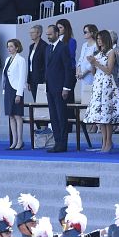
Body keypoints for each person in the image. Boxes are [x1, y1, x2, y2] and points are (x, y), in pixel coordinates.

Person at [82, 29, 119, 153]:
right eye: (97, 39)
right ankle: (104, 142)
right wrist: (92, 63)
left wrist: (96, 63)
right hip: (98, 84)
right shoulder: (98, 52)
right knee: (100, 115)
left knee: (107, 114)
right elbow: (94, 72)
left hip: (107, 84)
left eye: (100, 39)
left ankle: (108, 142)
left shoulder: (111, 52)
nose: (99, 41)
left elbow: (108, 70)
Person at [44, 23, 75, 152]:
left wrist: (66, 87)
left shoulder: (63, 48)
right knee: (53, 116)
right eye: (47, 35)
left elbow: (68, 69)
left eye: (50, 34)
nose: (48, 37)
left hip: (60, 87)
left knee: (61, 116)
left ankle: (63, 143)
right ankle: (57, 142)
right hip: (50, 87)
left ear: (57, 33)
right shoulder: (48, 48)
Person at [2, 38, 28, 150]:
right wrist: (4, 89)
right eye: (8, 46)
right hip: (8, 89)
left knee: (17, 115)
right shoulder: (7, 59)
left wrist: (19, 94)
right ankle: (14, 140)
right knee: (11, 116)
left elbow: (22, 77)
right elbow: (5, 75)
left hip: (16, 90)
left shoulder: (20, 60)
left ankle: (20, 140)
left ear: (17, 48)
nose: (9, 48)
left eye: (11, 46)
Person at [27, 24, 47, 100]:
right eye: (30, 32)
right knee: (35, 99)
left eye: (33, 32)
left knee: (41, 100)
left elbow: (45, 64)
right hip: (32, 77)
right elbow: (30, 64)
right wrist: (29, 80)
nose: (30, 34)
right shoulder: (31, 46)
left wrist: (45, 80)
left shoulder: (44, 46)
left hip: (40, 78)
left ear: (39, 34)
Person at [76, 23, 98, 88]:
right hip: (80, 75)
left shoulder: (96, 46)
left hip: (90, 75)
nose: (84, 34)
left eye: (85, 32)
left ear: (91, 33)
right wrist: (78, 71)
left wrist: (83, 73)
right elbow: (81, 59)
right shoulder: (84, 45)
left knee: (88, 91)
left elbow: (93, 62)